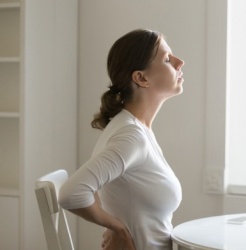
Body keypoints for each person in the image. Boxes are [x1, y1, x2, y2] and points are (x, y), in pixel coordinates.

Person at [59, 29, 185, 250]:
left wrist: (113, 220)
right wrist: (116, 227)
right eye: (167, 59)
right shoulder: (131, 136)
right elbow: (72, 193)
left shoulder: (134, 128)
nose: (179, 62)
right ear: (141, 78)